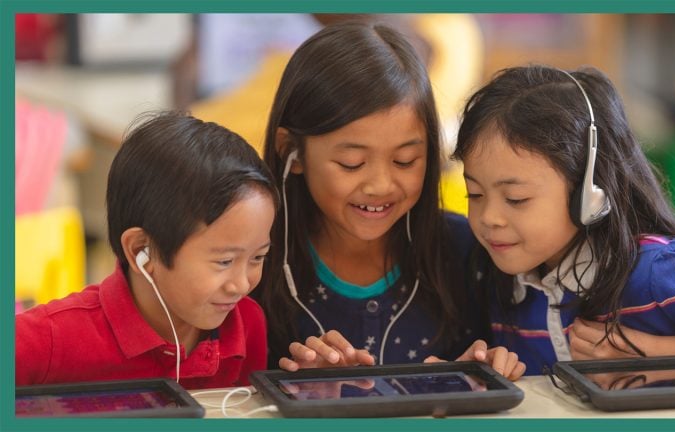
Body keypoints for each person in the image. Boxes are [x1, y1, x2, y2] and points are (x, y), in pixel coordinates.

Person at [254, 22, 525, 380]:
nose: (381, 185)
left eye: (405, 161)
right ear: (291, 150)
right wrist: (301, 389)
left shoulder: (470, 252)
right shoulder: (252, 262)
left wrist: (478, 377)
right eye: (352, 163)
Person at [451, 65, 675, 375]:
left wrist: (657, 357)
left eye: (516, 199)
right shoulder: (503, 281)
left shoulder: (660, 270)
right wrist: (489, 370)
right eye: (474, 194)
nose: (489, 217)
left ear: (589, 191)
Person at [15, 111, 278, 389]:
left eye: (258, 257)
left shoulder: (247, 324)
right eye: (224, 261)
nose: (241, 284)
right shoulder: (53, 337)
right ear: (143, 249)